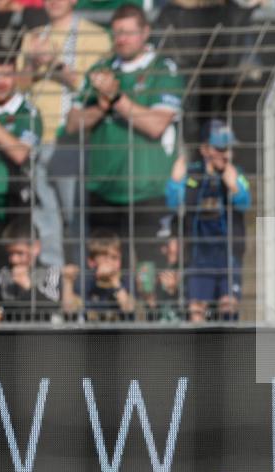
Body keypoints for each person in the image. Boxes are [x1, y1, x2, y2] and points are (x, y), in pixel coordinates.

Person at [65, 4, 183, 282]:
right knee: (107, 274)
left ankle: (158, 322)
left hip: (149, 191)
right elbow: (73, 124)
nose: (122, 39)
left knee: (152, 273)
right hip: (104, 191)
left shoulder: (163, 70)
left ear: (145, 33)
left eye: (129, 33)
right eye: (118, 33)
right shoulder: (100, 70)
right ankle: (114, 320)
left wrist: (116, 98)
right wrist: (101, 106)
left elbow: (156, 125)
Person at [17, 0, 112, 268]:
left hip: (73, 140)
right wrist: (34, 65)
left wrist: (56, 64)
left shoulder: (95, 37)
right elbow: (19, 86)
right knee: (45, 225)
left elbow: (97, 89)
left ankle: (81, 292)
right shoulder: (33, 37)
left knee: (76, 222)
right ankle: (53, 295)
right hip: (36, 141)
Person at [166, 119, 250, 322]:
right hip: (198, 256)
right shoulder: (192, 173)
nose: (227, 154)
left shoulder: (235, 173)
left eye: (229, 149)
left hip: (227, 256)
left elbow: (245, 203)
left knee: (228, 305)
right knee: (196, 310)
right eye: (220, 148)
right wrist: (176, 182)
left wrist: (234, 187)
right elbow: (174, 204)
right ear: (205, 149)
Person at [0, 59, 43, 266]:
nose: (1, 82)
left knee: (5, 269)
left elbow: (20, 154)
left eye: (7, 75)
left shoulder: (28, 112)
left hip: (9, 208)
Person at [0, 216, 77, 321]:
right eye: (10, 253)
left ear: (36, 248)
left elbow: (53, 306)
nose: (13, 259)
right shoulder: (4, 272)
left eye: (20, 253)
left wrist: (28, 286)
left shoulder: (51, 272)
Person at [64, 228, 135, 321]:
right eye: (105, 259)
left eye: (115, 258)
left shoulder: (125, 282)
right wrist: (68, 281)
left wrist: (115, 281)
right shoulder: (86, 284)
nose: (111, 263)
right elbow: (69, 311)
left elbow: (128, 309)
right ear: (92, 262)